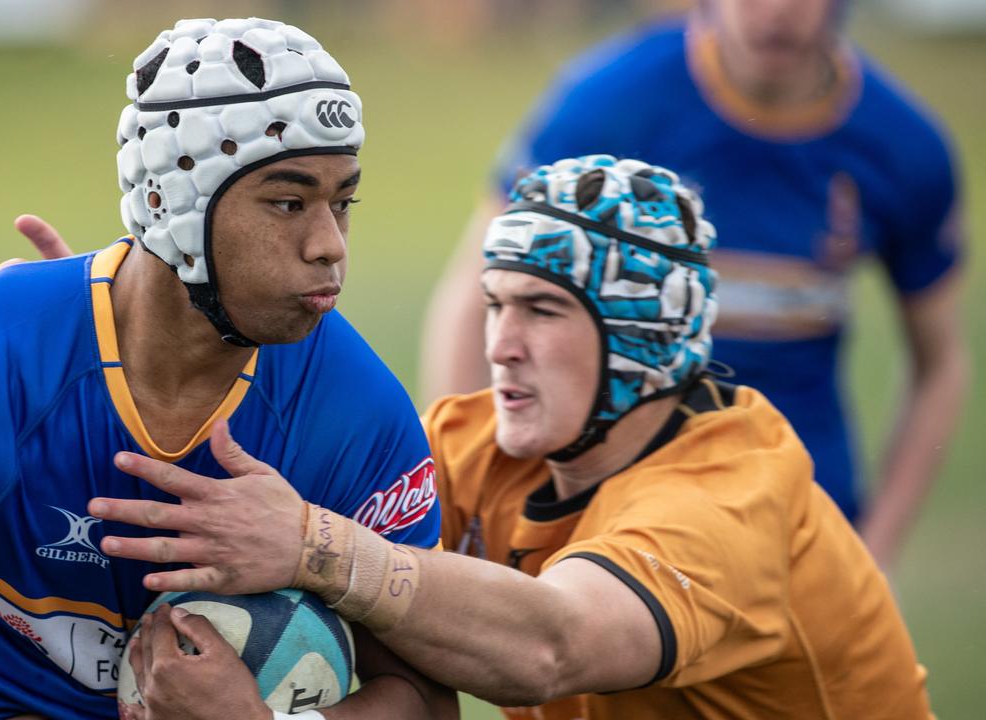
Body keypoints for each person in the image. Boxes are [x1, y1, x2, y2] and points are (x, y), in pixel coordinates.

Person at [0, 18, 456, 720]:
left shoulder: (354, 412)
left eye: (343, 202)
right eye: (289, 203)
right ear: (171, 205)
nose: (330, 244)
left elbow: (421, 696)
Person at [86, 156, 933, 718]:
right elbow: (257, 507)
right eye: (495, 304)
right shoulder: (476, 443)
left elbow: (552, 646)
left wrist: (319, 548)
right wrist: (128, 344)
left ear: (642, 333)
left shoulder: (729, 494)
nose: (501, 343)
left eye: (544, 310)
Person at [420, 0, 969, 569]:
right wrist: (461, 504)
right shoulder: (610, 100)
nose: (778, 12)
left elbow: (939, 363)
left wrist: (875, 553)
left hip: (801, 520)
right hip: (608, 520)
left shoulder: (905, 145)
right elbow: (479, 289)